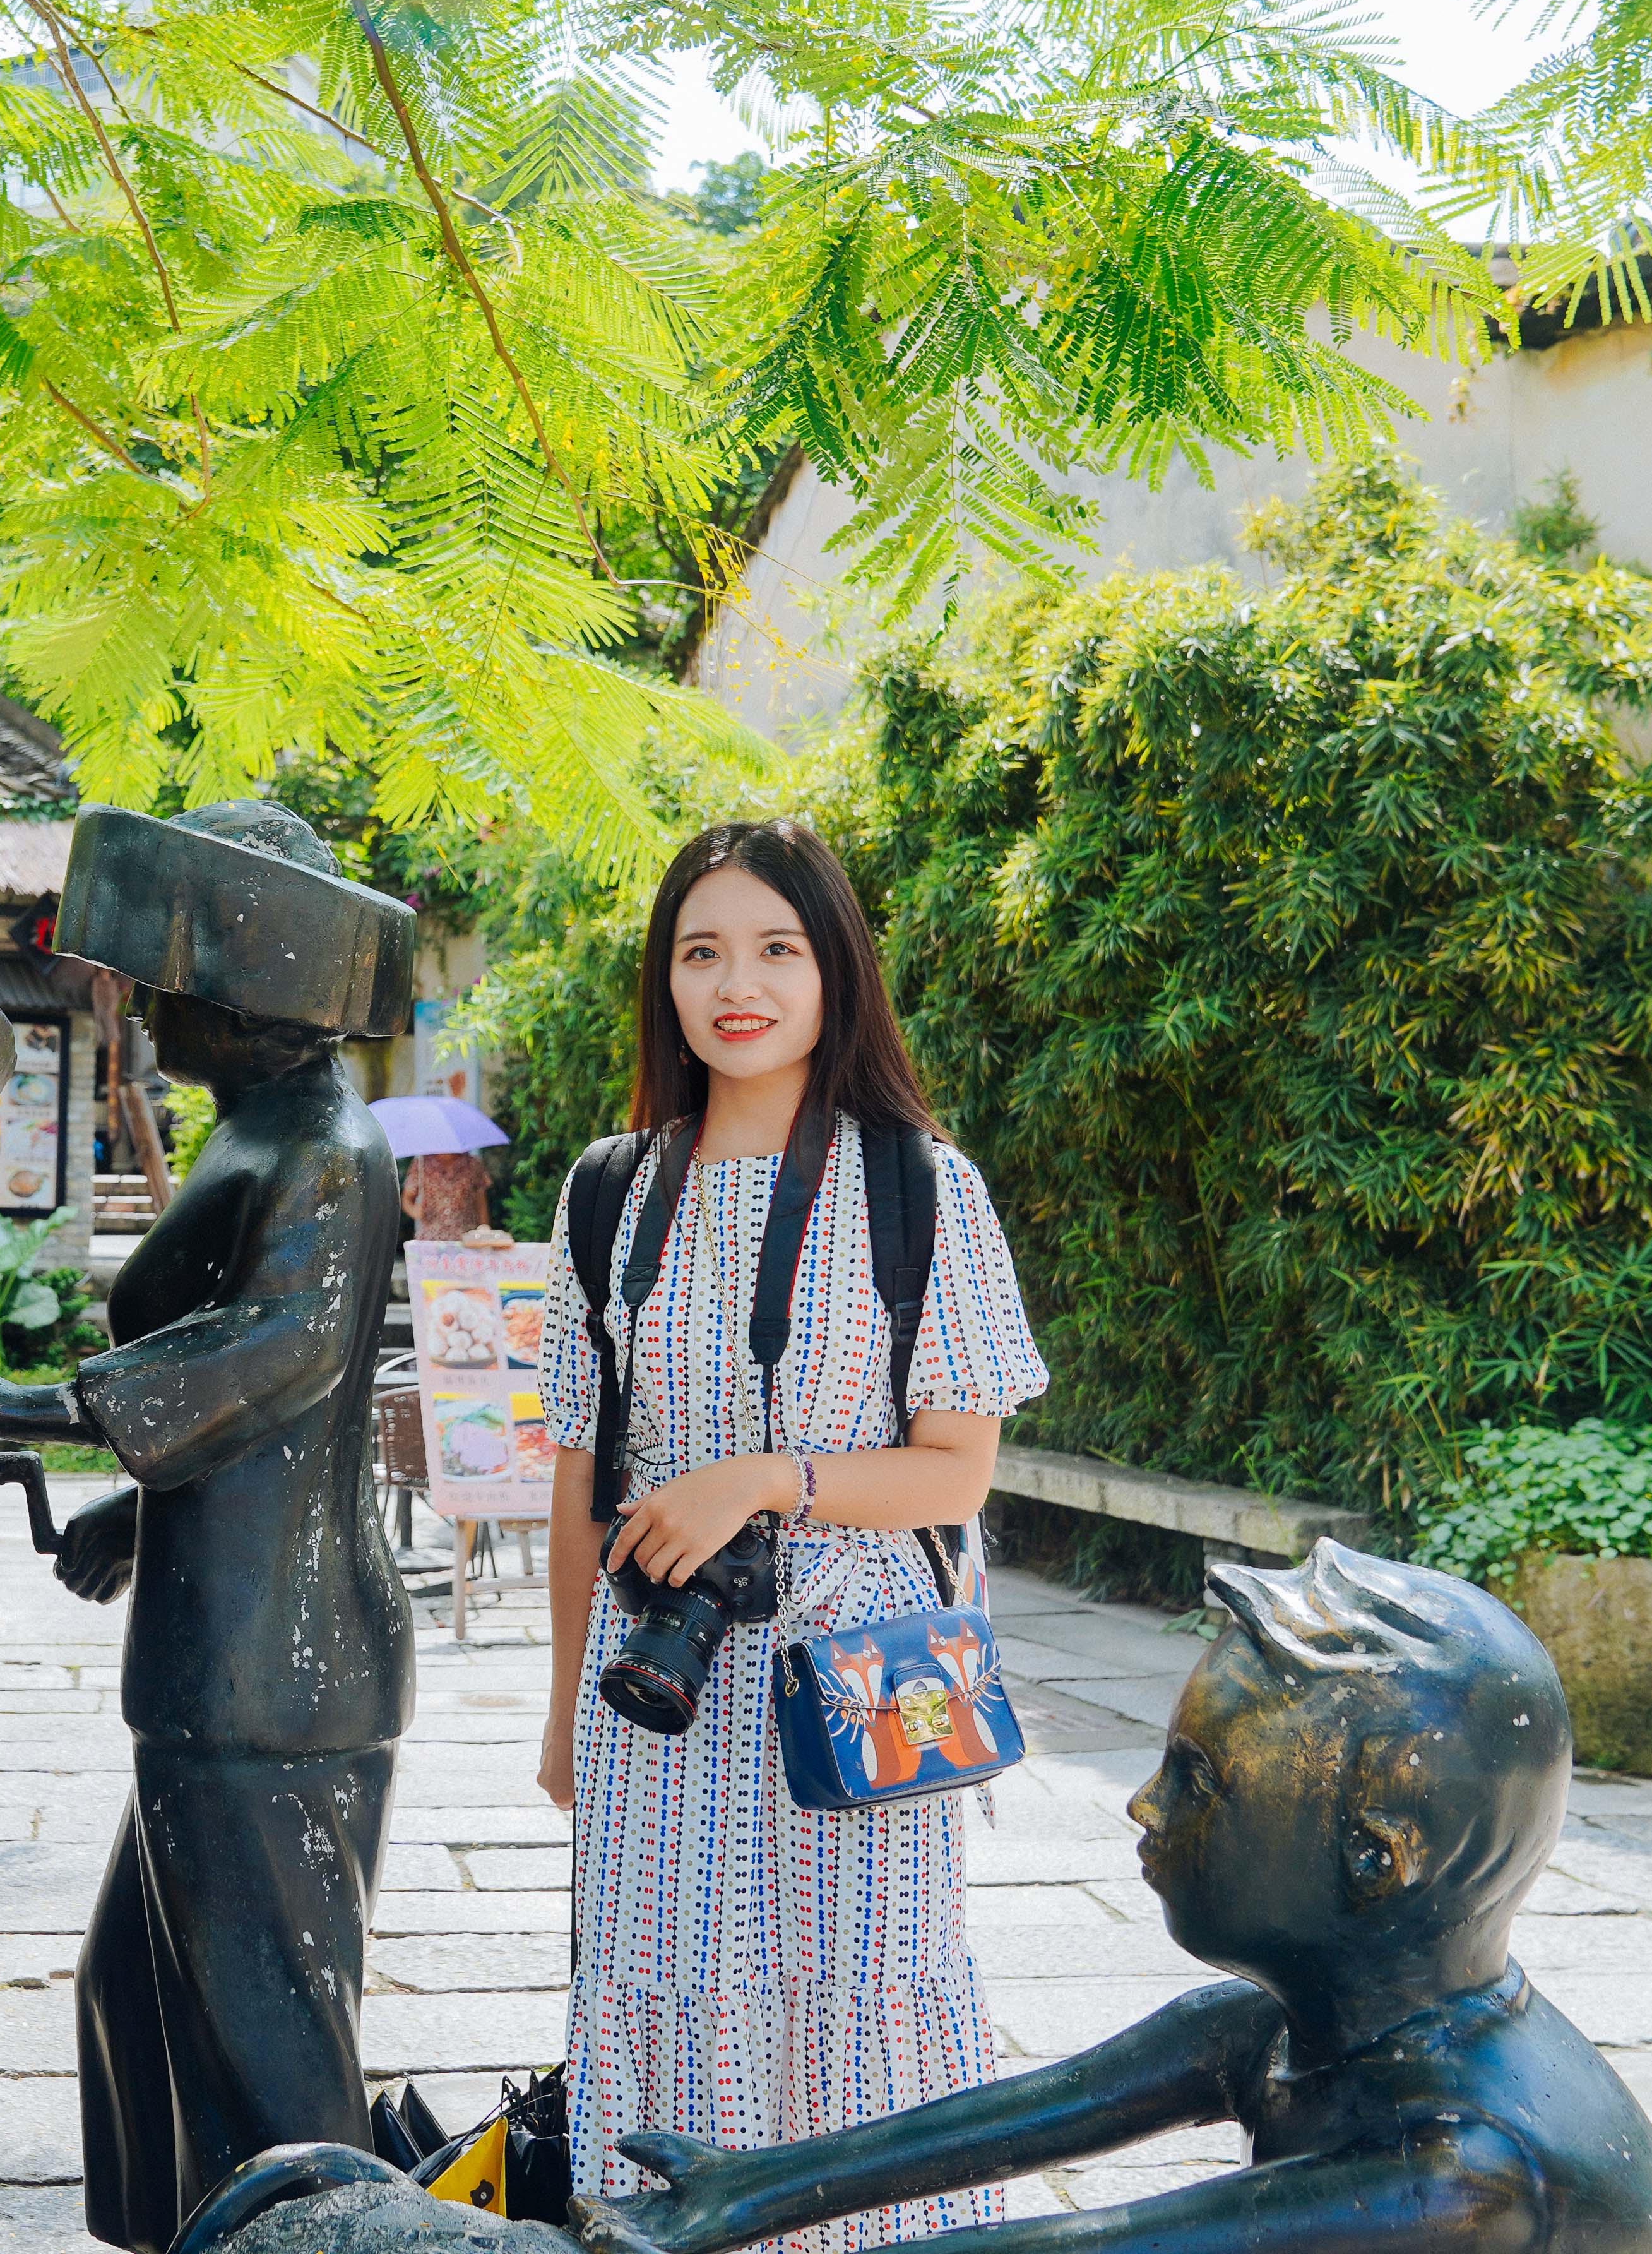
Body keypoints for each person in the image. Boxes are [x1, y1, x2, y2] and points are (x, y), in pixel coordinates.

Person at [165, 1548, 1652, 2254]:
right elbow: (1011, 2118)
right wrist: (741, 2188)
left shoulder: (1470, 2173)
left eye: (1200, 1777)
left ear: (1376, 1855)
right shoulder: (1290, 2028)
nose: (1147, 1806)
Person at [0, 799, 416, 2254]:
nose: (150, 1002)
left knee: (269, 2053)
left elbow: (271, 1357)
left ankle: (314, 2239)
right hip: (237, 1643)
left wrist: (24, 1401)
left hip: (274, 1668)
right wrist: (143, 1512)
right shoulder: (269, 1129)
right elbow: (266, 1408)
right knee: (140, 2001)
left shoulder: (319, 1142)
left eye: (181, 976)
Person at [533, 818, 1045, 2250]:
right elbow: (582, 1480)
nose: (735, 981)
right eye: (701, 950)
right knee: (669, 1997)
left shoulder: (919, 1186)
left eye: (776, 946)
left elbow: (955, 1474)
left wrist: (761, 1477)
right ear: (666, 979)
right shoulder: (606, 1193)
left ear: (837, 974)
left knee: (871, 2001)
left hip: (869, 1671)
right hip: (666, 1695)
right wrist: (568, 1709)